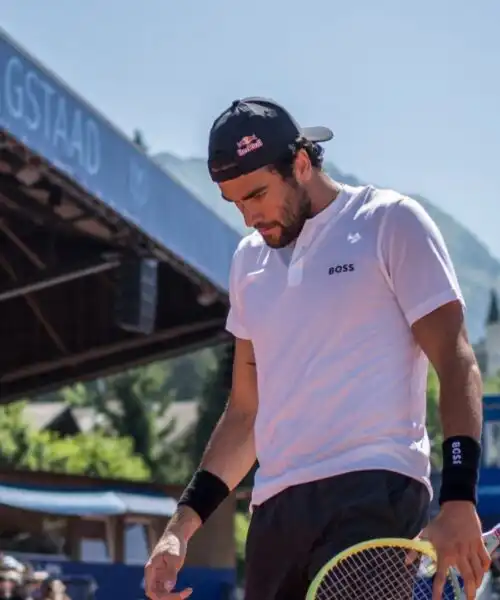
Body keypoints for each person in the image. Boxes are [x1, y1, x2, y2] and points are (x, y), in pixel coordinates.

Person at [145, 97, 490, 600]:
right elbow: (246, 413)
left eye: (258, 194)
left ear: (301, 163)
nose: (249, 217)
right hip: (274, 511)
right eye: (236, 202)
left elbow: (456, 363)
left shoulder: (389, 222)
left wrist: (459, 499)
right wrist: (182, 525)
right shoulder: (248, 263)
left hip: (374, 491)